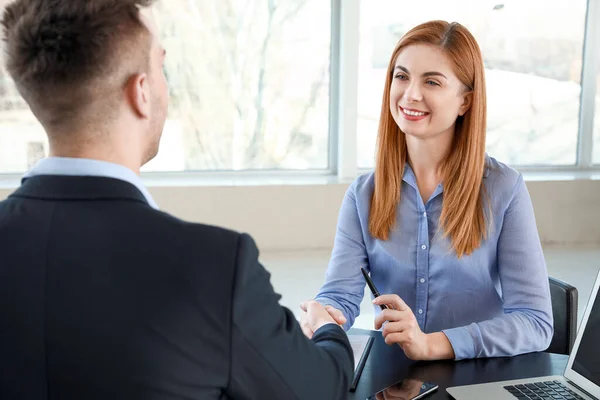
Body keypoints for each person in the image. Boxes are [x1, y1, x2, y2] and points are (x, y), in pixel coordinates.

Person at [0, 0, 353, 399]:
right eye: (161, 67)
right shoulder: (214, 267)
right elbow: (321, 390)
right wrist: (329, 329)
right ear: (142, 91)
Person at [304, 20, 553, 361]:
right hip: (394, 380)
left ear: (465, 101)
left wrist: (431, 344)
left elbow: (535, 322)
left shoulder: (503, 189)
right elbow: (340, 295)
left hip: (475, 377)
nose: (410, 94)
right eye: (401, 76)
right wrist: (326, 316)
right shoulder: (363, 194)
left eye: (432, 81)